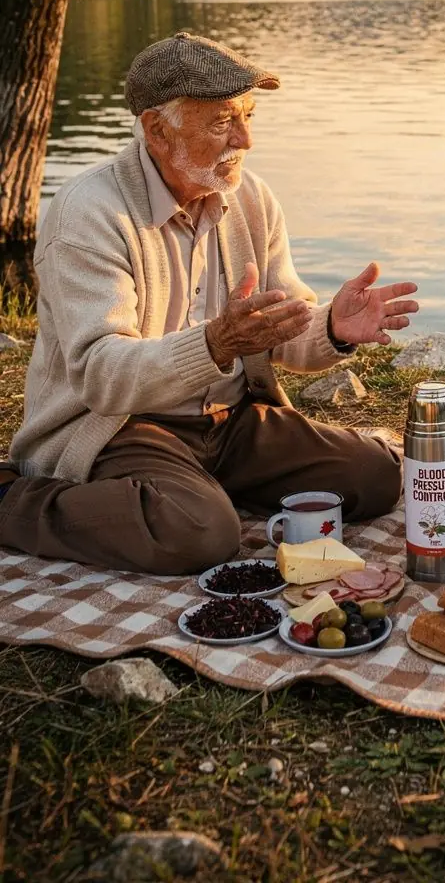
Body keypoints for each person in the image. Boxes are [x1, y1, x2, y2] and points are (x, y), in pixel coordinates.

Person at [0, 31, 418, 574]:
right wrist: (214, 345)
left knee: (377, 476)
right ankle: (12, 499)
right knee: (199, 534)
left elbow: (280, 330)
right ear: (157, 130)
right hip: (121, 426)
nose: (245, 139)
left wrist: (331, 329)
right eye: (223, 121)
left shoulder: (252, 198)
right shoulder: (88, 212)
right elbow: (101, 377)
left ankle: (192, 485)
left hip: (231, 421)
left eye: (248, 115)